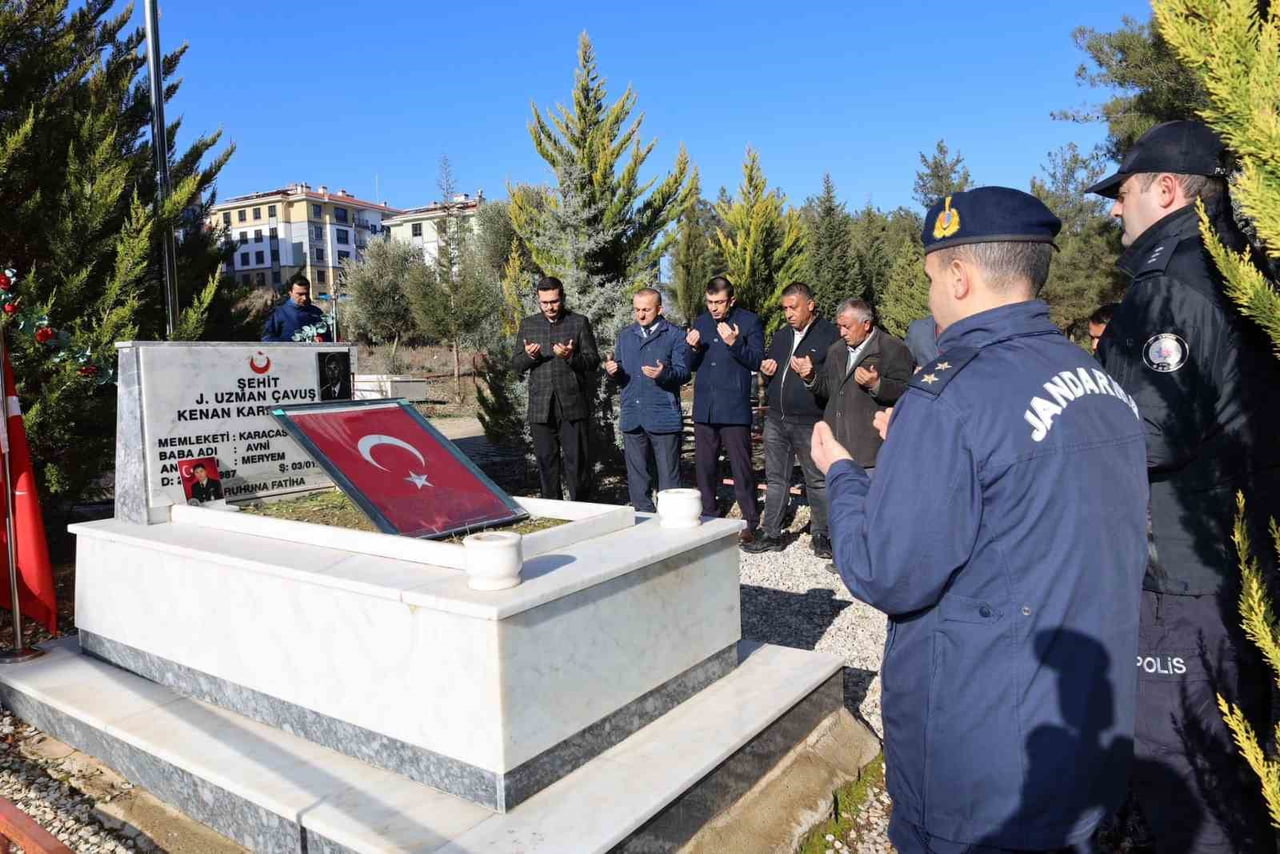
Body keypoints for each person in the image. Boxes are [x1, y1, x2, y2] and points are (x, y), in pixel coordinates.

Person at [811, 187, 1149, 853]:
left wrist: (844, 476)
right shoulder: (1097, 378)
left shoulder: (950, 398)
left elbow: (887, 571)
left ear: (960, 277)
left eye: (933, 275)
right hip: (1079, 731)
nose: (931, 291)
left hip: (986, 761)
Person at [1088, 119, 1280, 853]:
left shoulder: (1172, 289)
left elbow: (1148, 432)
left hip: (1183, 570)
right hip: (1233, 555)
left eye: (1125, 193)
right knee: (1233, 762)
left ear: (1167, 191)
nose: (1114, 210)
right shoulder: (1235, 272)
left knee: (1184, 767)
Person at [742, 282, 840, 556]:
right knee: (776, 479)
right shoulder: (783, 335)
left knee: (817, 480)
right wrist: (766, 368)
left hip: (810, 420)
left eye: (793, 307)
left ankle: (823, 535)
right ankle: (771, 532)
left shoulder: (830, 336)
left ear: (810, 305)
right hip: (776, 418)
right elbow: (772, 369)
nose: (788, 313)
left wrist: (811, 376)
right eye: (784, 308)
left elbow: (834, 382)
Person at [686, 276, 765, 543]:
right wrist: (692, 348)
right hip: (705, 408)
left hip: (734, 406)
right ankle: (709, 514)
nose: (714, 308)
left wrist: (735, 343)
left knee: (741, 467)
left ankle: (750, 521)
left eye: (719, 302)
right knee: (705, 467)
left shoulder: (749, 321)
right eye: (710, 302)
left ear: (731, 300)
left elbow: (757, 359)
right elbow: (690, 365)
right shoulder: (701, 322)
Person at [795, 299, 912, 473]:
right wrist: (811, 377)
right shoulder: (836, 350)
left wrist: (876, 384)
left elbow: (906, 392)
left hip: (872, 453)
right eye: (839, 326)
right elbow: (829, 389)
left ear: (866, 324)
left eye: (847, 327)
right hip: (838, 449)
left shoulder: (892, 348)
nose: (842, 332)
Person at [512, 276, 600, 501]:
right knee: (546, 463)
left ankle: (582, 511)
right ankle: (554, 512)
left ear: (562, 298)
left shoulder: (578, 322)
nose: (550, 307)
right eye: (545, 302)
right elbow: (516, 365)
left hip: (572, 406)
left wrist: (571, 357)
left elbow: (592, 362)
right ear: (538, 301)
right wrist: (530, 357)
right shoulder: (528, 325)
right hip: (541, 407)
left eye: (554, 301)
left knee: (577, 464)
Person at [605, 288, 690, 513]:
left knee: (668, 477)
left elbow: (684, 373)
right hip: (633, 415)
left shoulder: (674, 335)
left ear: (659, 309)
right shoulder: (625, 335)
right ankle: (643, 518)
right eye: (637, 310)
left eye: (646, 310)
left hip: (663, 416)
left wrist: (663, 374)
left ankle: (673, 518)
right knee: (637, 476)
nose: (641, 315)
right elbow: (622, 374)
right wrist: (613, 371)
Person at [262, 274, 331, 342]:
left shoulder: (317, 312)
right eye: (300, 294)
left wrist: (321, 339)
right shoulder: (278, 313)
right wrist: (292, 344)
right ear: (290, 292)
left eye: (307, 294)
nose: (304, 298)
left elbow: (328, 338)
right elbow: (267, 339)